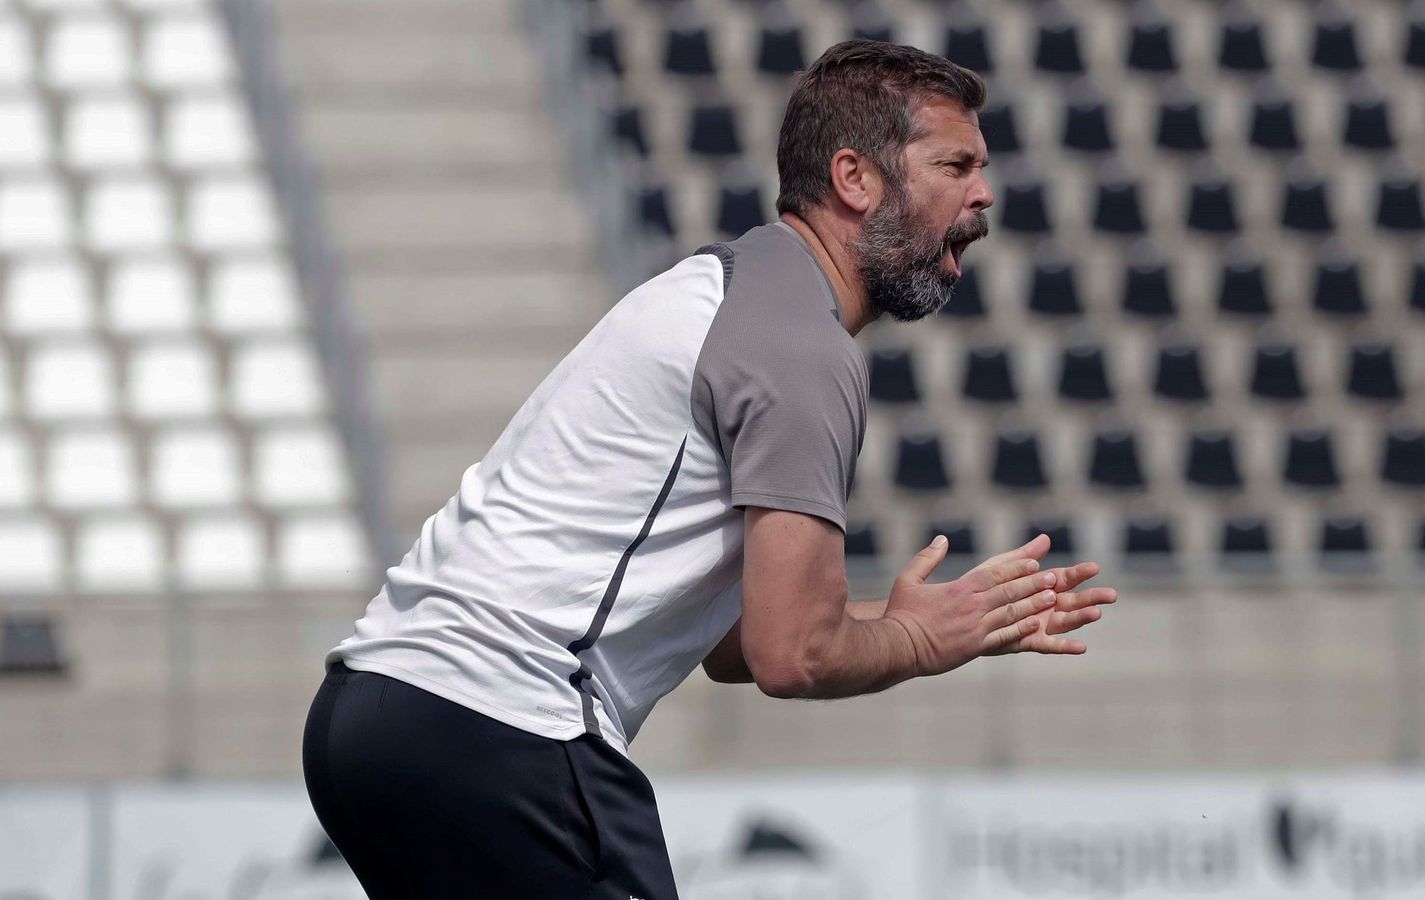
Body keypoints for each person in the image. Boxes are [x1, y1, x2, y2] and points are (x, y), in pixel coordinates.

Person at [301, 38, 1117, 899]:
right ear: (855, 178)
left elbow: (731, 644)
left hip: (376, 714)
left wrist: (896, 616)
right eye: (954, 165)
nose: (983, 193)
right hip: (500, 726)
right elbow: (791, 654)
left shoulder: (728, 289)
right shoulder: (798, 348)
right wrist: (918, 640)